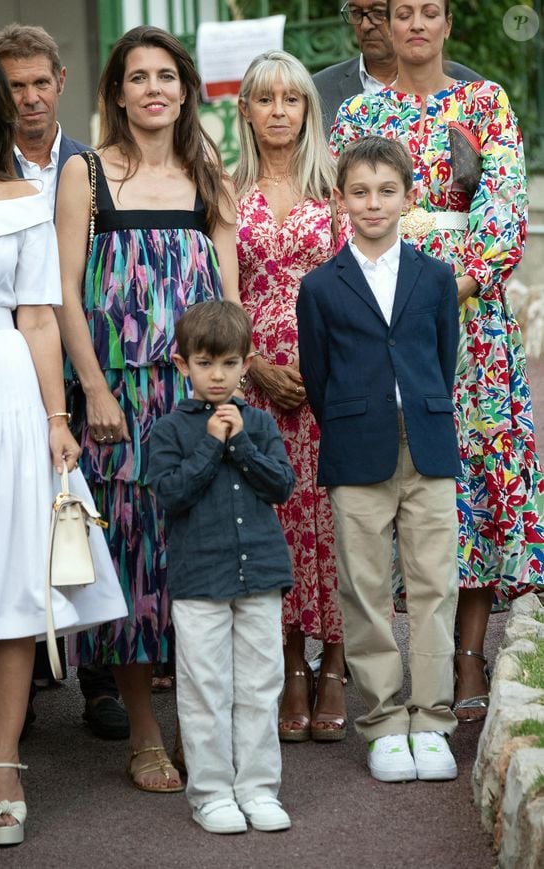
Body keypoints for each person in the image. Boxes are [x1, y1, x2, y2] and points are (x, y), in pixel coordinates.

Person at [329, 0, 544, 723]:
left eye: (430, 11)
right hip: (384, 315)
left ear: (448, 24)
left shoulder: (484, 101)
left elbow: (505, 203)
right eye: (403, 12)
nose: (416, 23)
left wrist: (457, 282)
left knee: (473, 475)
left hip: (468, 316)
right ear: (384, 25)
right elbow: (344, 213)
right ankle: (401, 662)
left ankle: (468, 653)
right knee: (394, 476)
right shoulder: (360, 115)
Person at [55, 25, 240, 793]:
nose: (154, 88)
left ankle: (201, 723)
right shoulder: (86, 175)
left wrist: (232, 394)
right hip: (119, 404)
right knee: (133, 561)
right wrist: (93, 387)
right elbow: (63, 291)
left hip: (194, 403)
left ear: (186, 88)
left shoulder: (209, 174)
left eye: (167, 74)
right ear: (118, 92)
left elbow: (230, 305)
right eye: (139, 77)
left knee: (194, 560)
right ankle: (141, 731)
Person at [0, 41, 126, 847]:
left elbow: (38, 318)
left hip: (3, 396)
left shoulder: (23, 196)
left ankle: (4, 760)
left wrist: (57, 418)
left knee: (10, 585)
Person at [297, 136, 460, 782]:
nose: (373, 203)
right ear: (340, 199)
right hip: (354, 446)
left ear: (408, 197)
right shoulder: (320, 287)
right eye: (359, 192)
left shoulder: (436, 276)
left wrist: (419, 411)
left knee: (432, 585)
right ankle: (386, 722)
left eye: (386, 191)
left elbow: (442, 360)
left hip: (427, 443)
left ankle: (432, 719)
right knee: (365, 589)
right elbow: (317, 374)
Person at [235, 50, 351, 743]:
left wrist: (325, 366)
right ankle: (289, 665)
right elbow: (221, 289)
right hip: (253, 381)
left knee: (332, 520)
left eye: (293, 99)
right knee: (274, 521)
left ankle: (333, 661)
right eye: (265, 99)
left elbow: (351, 281)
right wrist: (250, 363)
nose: (279, 111)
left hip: (326, 377)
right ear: (244, 109)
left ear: (309, 109)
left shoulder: (335, 186)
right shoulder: (223, 186)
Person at [148, 300, 294, 834]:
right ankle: (210, 793)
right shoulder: (169, 431)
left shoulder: (257, 423)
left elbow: (281, 485)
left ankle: (258, 788)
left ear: (246, 363)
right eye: (205, 363)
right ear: (183, 364)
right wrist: (212, 445)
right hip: (199, 580)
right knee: (205, 687)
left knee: (259, 686)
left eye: (229, 363)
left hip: (260, 576)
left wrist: (243, 446)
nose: (218, 375)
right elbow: (171, 494)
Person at [312, 0, 480, 138]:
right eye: (356, 13)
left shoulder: (476, 93)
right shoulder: (318, 90)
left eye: (378, 13)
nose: (365, 25)